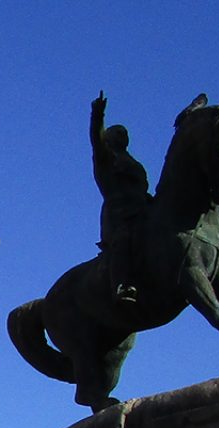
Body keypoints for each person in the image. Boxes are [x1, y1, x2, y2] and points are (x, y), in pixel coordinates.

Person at [91, 92, 151, 305]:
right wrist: (97, 118)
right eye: (117, 133)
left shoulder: (131, 160)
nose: (122, 135)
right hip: (119, 213)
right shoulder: (105, 160)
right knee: (123, 239)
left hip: (143, 206)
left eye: (124, 133)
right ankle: (122, 283)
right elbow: (96, 141)